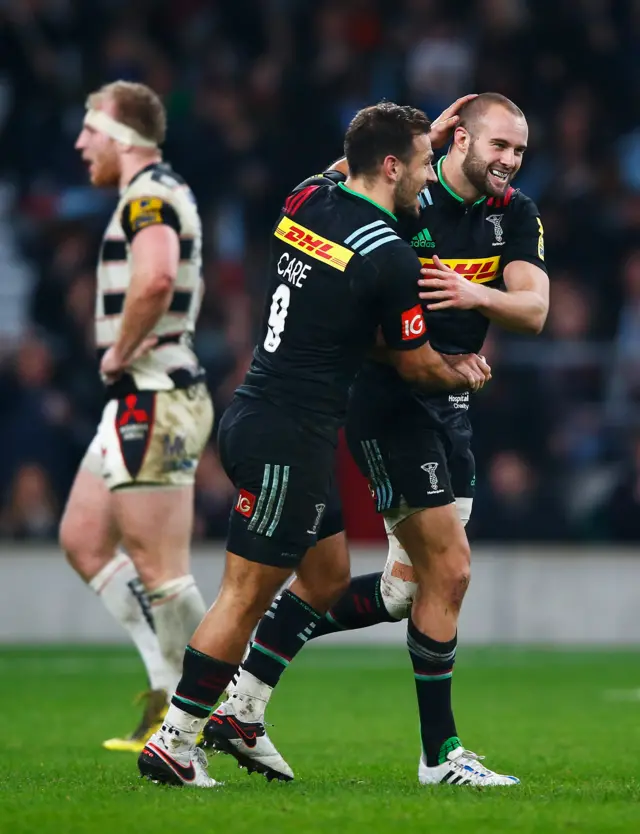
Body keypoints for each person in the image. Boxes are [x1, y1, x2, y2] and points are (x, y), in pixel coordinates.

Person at [137, 101, 491, 787]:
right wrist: (463, 372)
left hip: (260, 413)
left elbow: (343, 168)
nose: (430, 177)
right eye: (423, 163)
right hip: (288, 439)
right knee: (240, 596)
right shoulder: (389, 255)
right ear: (391, 166)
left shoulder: (310, 197)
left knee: (325, 579)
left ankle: (240, 715)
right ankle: (177, 738)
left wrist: (411, 133)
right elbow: (414, 362)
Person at [208, 92, 548, 787]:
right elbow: (353, 176)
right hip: (389, 400)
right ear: (459, 142)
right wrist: (408, 128)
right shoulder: (405, 201)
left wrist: (475, 296)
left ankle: (244, 699)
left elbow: (535, 310)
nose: (510, 161)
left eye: (518, 149)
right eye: (498, 146)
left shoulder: (515, 214)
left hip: (450, 406)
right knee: (450, 571)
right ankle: (440, 756)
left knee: (405, 592)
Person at [59, 81, 213, 752]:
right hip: (141, 395)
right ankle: (166, 692)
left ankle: (209, 713)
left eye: (89, 130)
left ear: (118, 134)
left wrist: (118, 348)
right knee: (84, 536)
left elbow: (154, 278)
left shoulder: (149, 194)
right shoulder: (151, 190)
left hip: (155, 394)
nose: (79, 143)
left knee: (162, 569)